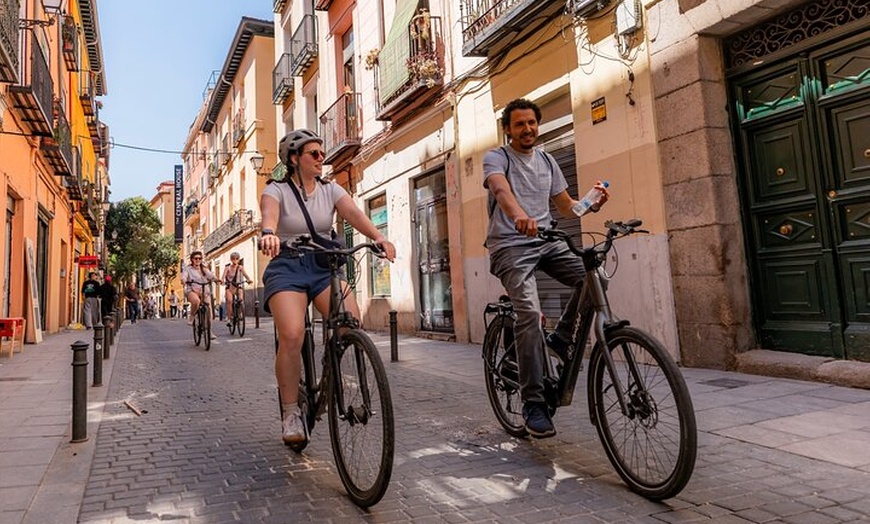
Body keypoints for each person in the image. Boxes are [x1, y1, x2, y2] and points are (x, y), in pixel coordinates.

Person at [259, 129, 396, 445]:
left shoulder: (331, 190)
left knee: (350, 322)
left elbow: (354, 214)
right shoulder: (275, 190)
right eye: (314, 154)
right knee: (292, 334)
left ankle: (333, 366)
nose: (322, 158)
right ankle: (291, 412)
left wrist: (379, 237)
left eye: (322, 153)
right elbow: (270, 215)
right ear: (294, 159)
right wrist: (268, 232)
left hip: (323, 266)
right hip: (288, 266)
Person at [484, 98, 609, 438]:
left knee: (594, 276)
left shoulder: (548, 160)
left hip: (547, 240)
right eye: (520, 124)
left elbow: (568, 208)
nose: (528, 129)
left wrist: (592, 203)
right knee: (528, 313)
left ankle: (562, 337)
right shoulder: (497, 158)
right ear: (508, 129)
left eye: (532, 123)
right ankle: (534, 403)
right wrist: (518, 216)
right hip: (510, 245)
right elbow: (501, 188)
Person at [181, 251, 219, 339]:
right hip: (192, 290)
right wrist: (183, 280)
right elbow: (184, 276)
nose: (198, 260)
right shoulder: (188, 269)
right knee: (196, 301)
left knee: (209, 311)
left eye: (200, 258)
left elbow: (211, 276)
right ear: (192, 260)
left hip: (204, 291)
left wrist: (217, 279)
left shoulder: (204, 269)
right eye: (196, 258)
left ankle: (209, 331)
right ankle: (192, 316)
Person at [222, 252, 252, 329]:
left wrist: (248, 280)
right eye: (233, 258)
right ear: (231, 259)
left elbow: (245, 275)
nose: (235, 260)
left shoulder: (240, 267)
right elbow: (223, 276)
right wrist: (222, 281)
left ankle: (240, 313)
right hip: (230, 286)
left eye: (236, 258)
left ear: (238, 259)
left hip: (238, 286)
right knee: (229, 301)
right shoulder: (227, 268)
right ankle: (229, 318)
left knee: (241, 300)